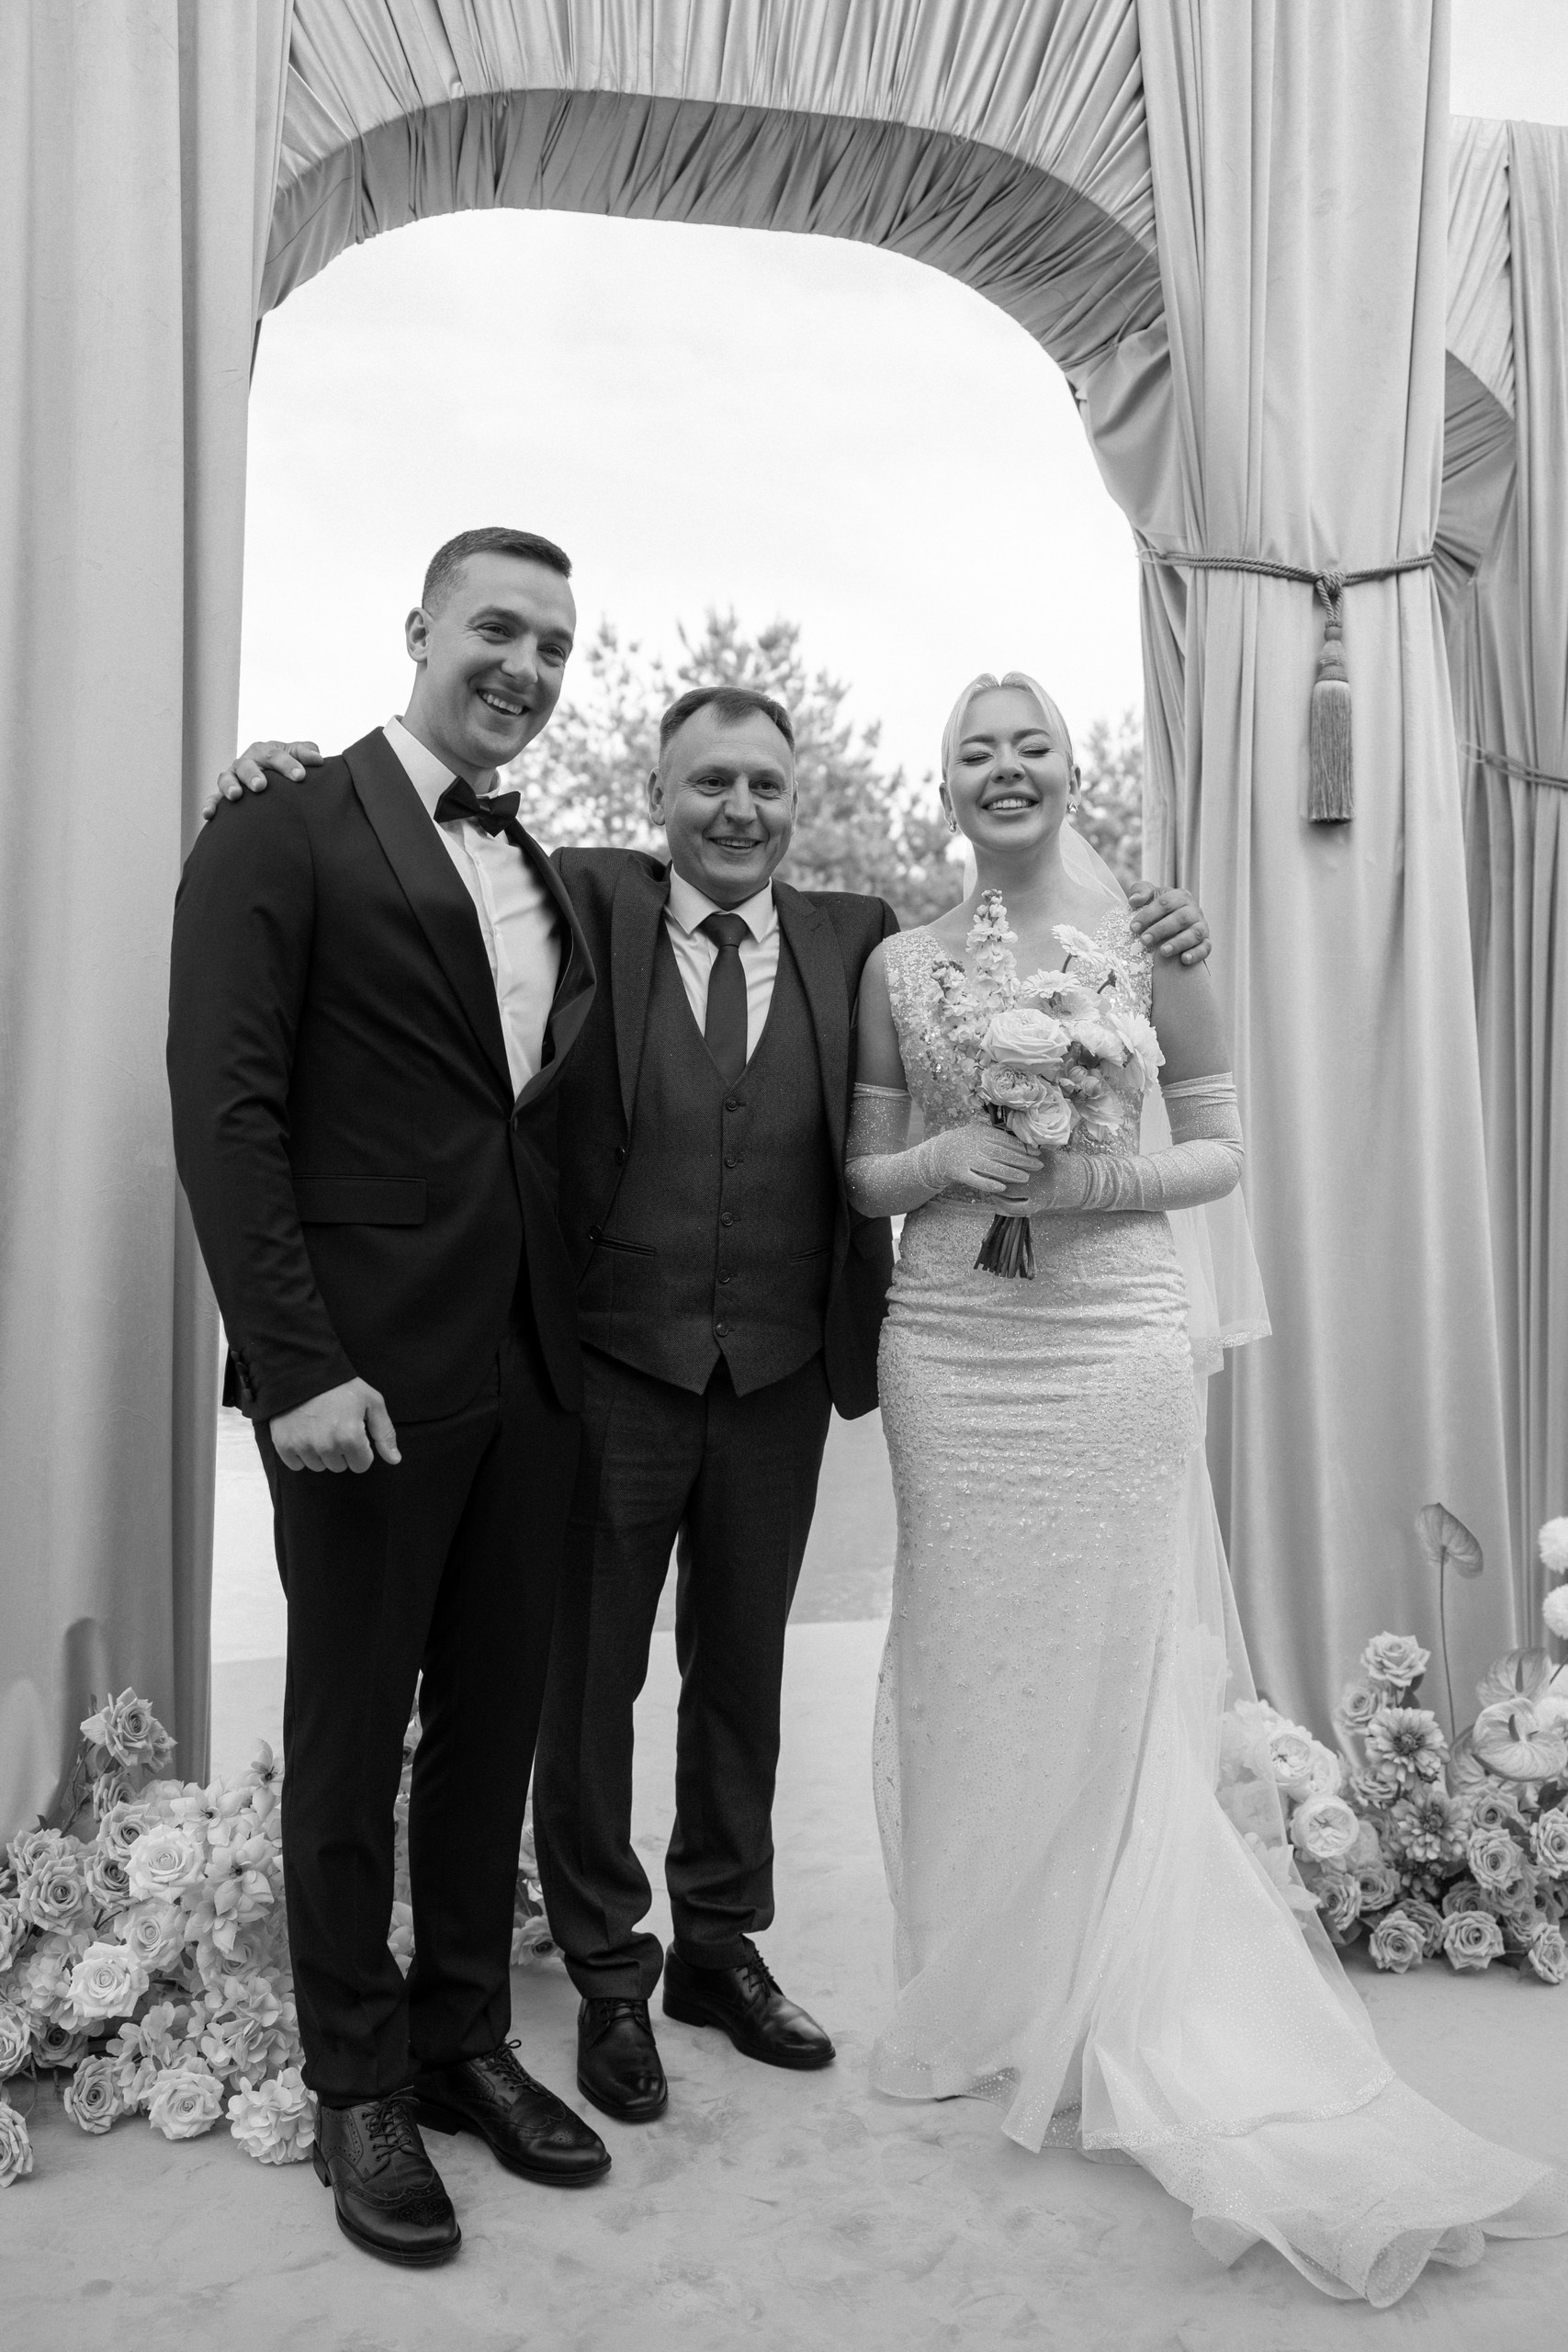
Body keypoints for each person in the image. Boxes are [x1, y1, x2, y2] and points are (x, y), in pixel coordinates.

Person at [213, 688, 1213, 2134]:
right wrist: (278, 776)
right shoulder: (583, 899)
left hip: (779, 1373)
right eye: (708, 784)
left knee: (742, 1674)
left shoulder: (859, 937)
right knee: (587, 1689)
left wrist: (1149, 931)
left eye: (765, 785)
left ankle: (720, 1947)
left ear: (799, 801)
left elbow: (996, 973)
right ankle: (609, 1973)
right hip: (608, 1366)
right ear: (660, 798)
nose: (739, 810)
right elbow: (424, 855)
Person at [842, 671, 1568, 2305]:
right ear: (944, 786)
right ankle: (989, 1981)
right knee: (967, 1656)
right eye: (975, 750)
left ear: (1068, 771)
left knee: (1111, 1666)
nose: (1006, 768)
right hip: (951, 1342)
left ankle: (1116, 1985)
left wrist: (1089, 1179)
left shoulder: (1156, 941)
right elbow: (867, 1170)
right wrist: (947, 1162)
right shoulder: (899, 964)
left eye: (1032, 745)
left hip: (1109, 1337)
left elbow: (1226, 1146)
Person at [167, 527, 610, 2267]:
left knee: (495, 1724)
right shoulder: (277, 824)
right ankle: (356, 2077)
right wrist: (295, 1366)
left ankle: (460, 2039)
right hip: (358, 1377)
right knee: (354, 1736)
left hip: (530, 1370)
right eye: (498, 627)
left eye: (557, 645)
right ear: (418, 627)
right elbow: (227, 1111)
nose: (527, 665)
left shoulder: (549, 864)